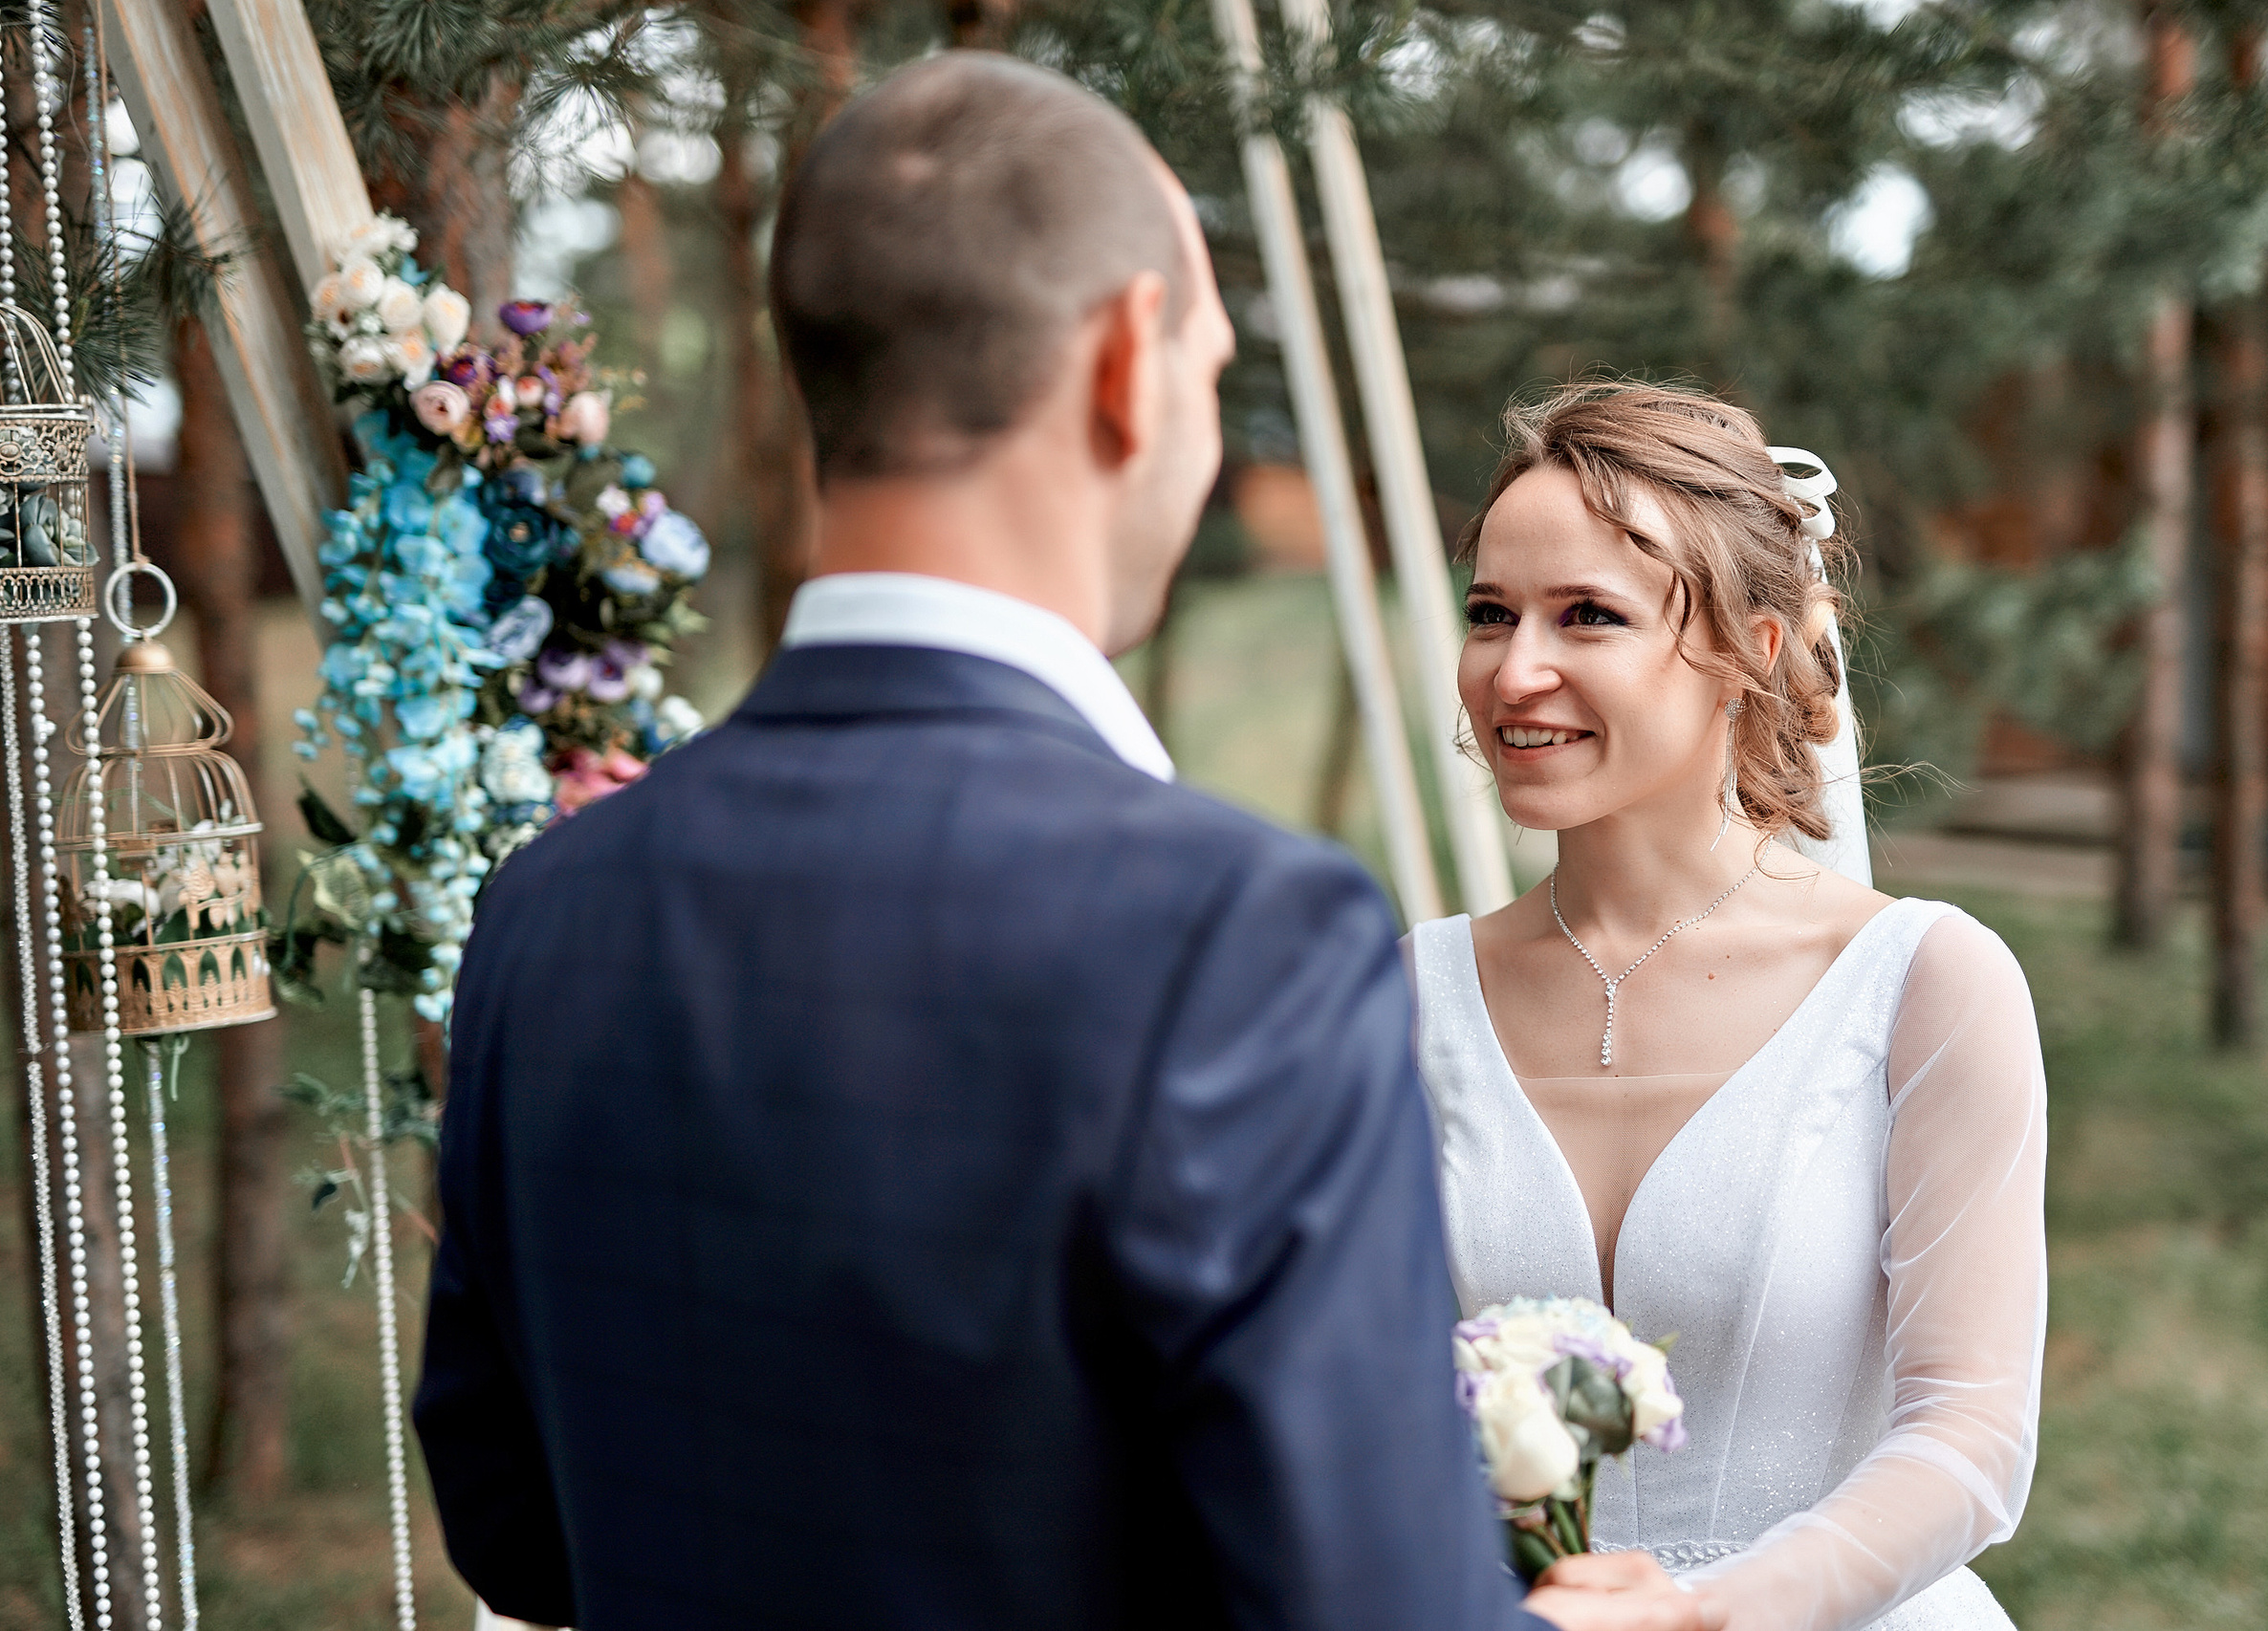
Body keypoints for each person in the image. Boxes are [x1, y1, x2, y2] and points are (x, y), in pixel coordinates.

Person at [413, 54, 1723, 1631]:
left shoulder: (556, 903)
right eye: (1212, 364)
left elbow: (516, 1528)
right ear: (1125, 359)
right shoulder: (1236, 935)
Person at [1408, 382, 2047, 1631]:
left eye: (1588, 613)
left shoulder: (1926, 987)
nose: (1515, 668)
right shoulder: (1397, 999)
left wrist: (1713, 1613)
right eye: (1491, 612)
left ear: (1751, 651)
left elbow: (1973, 1436)